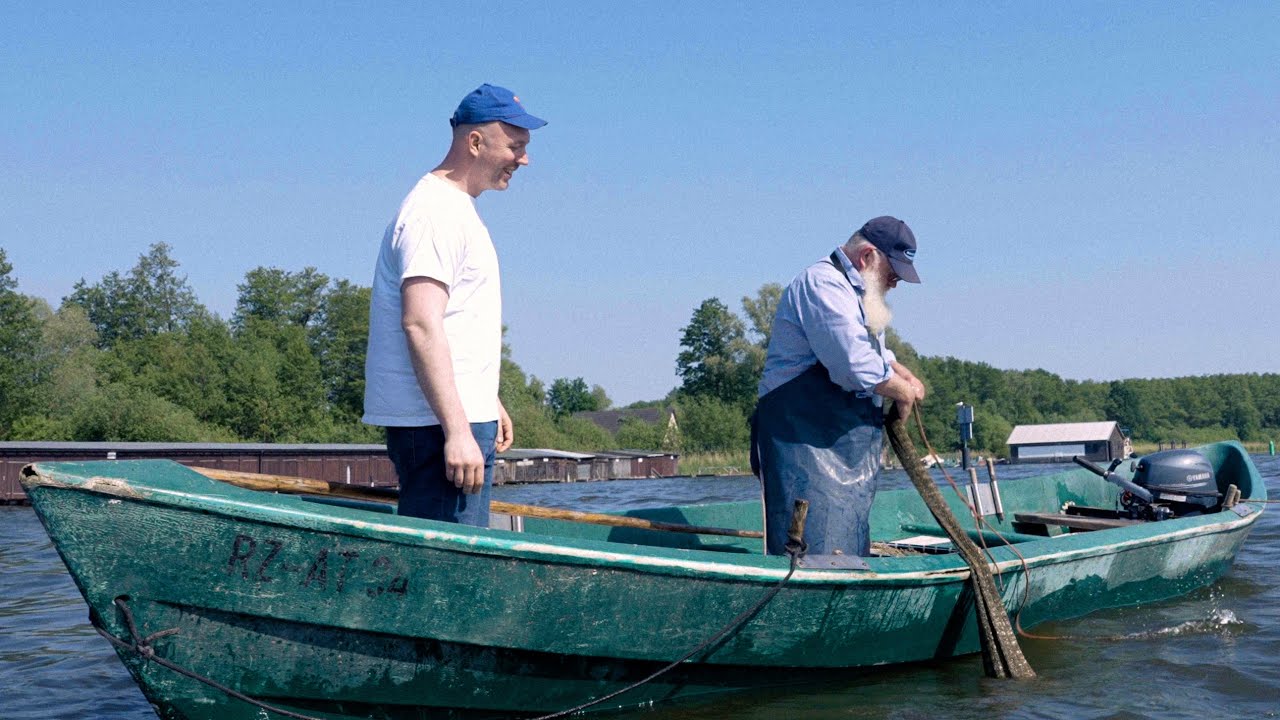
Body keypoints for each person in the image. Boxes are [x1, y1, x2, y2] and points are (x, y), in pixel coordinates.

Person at [363, 84, 546, 525]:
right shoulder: (435, 213)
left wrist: (484, 396)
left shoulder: (454, 208)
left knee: (463, 556)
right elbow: (421, 322)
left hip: (450, 420)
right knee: (442, 563)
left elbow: (454, 322)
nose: (524, 160)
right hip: (436, 427)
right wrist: (458, 429)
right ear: (475, 142)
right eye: (515, 146)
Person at [752, 216, 927, 557]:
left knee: (846, 546)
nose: (895, 284)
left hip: (842, 443)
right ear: (867, 257)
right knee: (808, 551)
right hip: (802, 440)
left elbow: (873, 351)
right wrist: (903, 393)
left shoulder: (860, 293)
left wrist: (902, 374)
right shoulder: (823, 285)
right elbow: (854, 365)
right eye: (893, 274)